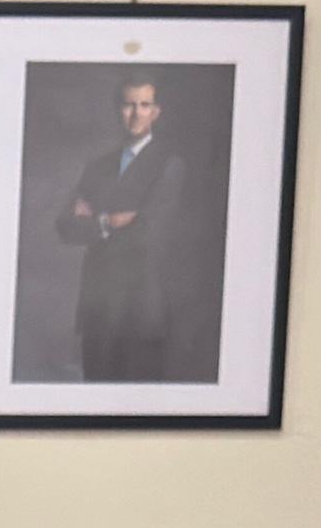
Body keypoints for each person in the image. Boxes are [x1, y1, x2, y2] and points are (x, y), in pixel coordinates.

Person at [53, 71, 223, 383]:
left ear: (156, 112)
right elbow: (65, 226)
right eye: (129, 105)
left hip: (139, 309)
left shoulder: (169, 165)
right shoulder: (98, 167)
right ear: (118, 109)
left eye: (144, 105)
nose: (135, 113)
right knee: (94, 401)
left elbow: (146, 233)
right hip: (97, 308)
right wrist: (109, 221)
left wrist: (93, 219)